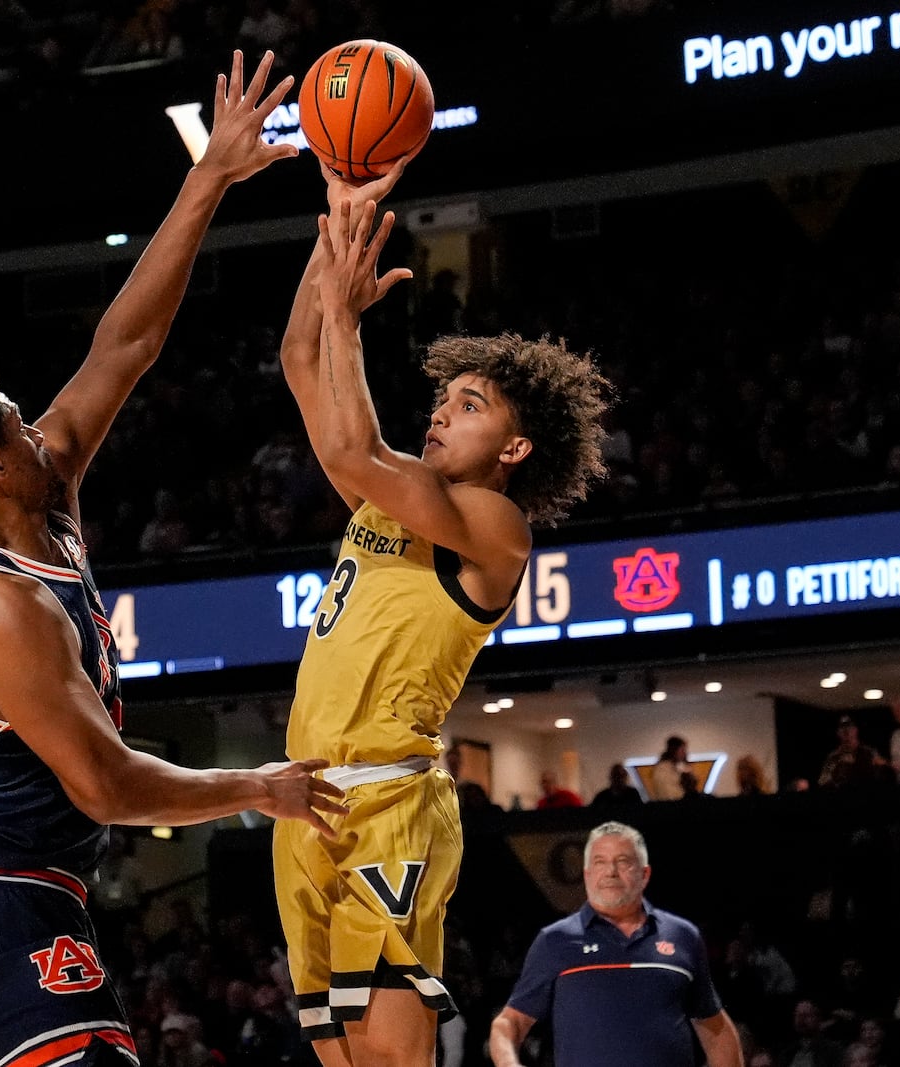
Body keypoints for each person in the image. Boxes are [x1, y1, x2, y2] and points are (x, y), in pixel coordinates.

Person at [0, 52, 349, 1067]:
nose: (45, 424)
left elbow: (124, 346)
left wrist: (210, 176)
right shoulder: (0, 606)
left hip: (2, 907)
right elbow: (105, 785)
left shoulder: (40, 495)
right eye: (19, 421)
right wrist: (257, 785)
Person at [271, 173, 611, 1067]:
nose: (441, 411)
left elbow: (349, 441)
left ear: (514, 447)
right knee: (336, 1058)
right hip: (302, 800)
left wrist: (347, 315)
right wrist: (337, 226)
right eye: (443, 397)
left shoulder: (495, 527)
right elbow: (300, 364)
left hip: (387, 798)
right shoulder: (389, 504)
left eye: (470, 405)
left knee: (393, 1057)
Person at [488, 821, 744, 1067]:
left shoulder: (682, 936)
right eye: (599, 862)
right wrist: (509, 1063)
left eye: (623, 862)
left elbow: (715, 1027)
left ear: (645, 874)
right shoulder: (555, 941)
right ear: (586, 875)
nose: (610, 871)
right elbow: (510, 1023)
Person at [818, 716, 888, 789]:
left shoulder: (869, 753)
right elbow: (823, 782)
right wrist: (840, 769)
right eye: (842, 728)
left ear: (856, 730)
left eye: (850, 727)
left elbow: (880, 777)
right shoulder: (834, 757)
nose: (846, 732)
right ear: (838, 733)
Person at [650, 736, 693, 801]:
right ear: (674, 750)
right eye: (682, 750)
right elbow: (670, 793)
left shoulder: (678, 767)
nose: (685, 753)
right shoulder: (663, 769)